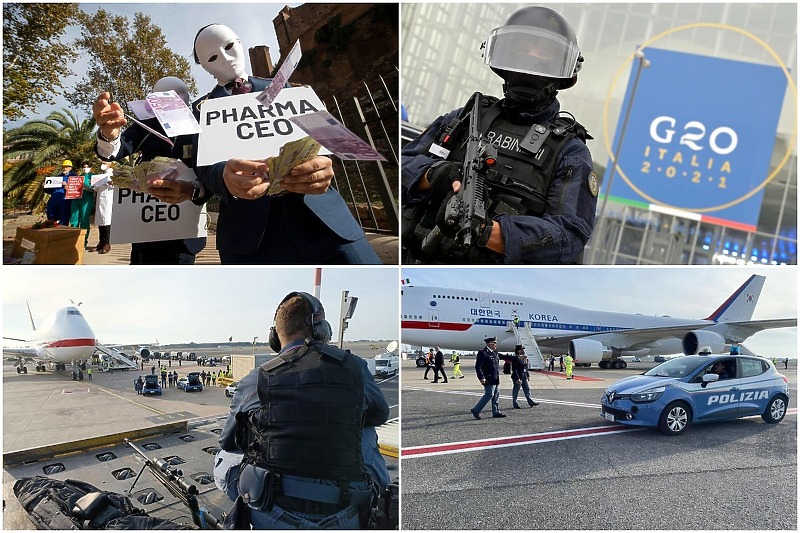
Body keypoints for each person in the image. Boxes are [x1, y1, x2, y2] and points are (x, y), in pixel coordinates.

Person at [401, 6, 596, 265]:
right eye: (523, 47)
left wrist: (487, 232)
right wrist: (434, 175)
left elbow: (567, 237)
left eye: (545, 52)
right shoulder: (464, 119)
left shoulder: (569, 151)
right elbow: (402, 165)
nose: (532, 58)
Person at [183, 23, 381, 265]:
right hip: (249, 239)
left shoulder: (288, 88)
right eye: (212, 57)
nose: (225, 58)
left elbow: (325, 143)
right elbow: (204, 167)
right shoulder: (201, 109)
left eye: (229, 46)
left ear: (240, 43)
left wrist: (322, 164)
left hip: (327, 225)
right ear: (203, 66)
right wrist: (225, 177)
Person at [215, 291, 389, 528]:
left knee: (225, 457)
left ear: (274, 337)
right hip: (346, 511)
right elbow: (380, 414)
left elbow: (228, 442)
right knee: (366, 430)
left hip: (273, 512)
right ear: (320, 330)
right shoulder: (354, 367)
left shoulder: (256, 378)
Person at [93, 76, 208, 264]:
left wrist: (195, 189)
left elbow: (211, 169)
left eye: (176, 97)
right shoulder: (145, 126)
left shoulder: (201, 124)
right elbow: (119, 148)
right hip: (146, 231)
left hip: (185, 235)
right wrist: (109, 135)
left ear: (186, 99)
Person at [471, 337, 505, 419]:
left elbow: (505, 357)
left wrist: (518, 357)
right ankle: (476, 410)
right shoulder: (483, 353)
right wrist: (481, 378)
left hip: (496, 378)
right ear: (489, 344)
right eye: (494, 344)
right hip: (488, 378)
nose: (496, 345)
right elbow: (478, 367)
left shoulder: (495, 353)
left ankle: (496, 411)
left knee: (496, 395)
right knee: (489, 394)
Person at [69, 162, 95, 247]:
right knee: (74, 219)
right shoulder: (79, 177)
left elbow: (95, 189)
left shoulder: (93, 176)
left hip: (87, 199)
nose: (85, 168)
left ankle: (83, 241)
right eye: (84, 167)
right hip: (76, 199)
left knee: (84, 219)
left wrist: (86, 187)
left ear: (90, 167)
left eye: (87, 167)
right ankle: (73, 239)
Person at [45, 160, 76, 226]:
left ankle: (62, 234)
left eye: (67, 167)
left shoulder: (74, 177)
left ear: (70, 168)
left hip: (65, 201)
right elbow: (50, 190)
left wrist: (68, 187)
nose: (65, 168)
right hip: (53, 200)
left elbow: (76, 191)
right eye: (64, 167)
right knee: (51, 218)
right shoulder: (58, 177)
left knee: (63, 219)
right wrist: (45, 186)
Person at [92, 162, 114, 254]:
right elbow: (96, 188)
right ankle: (101, 242)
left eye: (105, 162)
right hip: (100, 200)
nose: (103, 164)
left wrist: (110, 183)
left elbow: (115, 185)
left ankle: (107, 243)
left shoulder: (112, 174)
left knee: (107, 222)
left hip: (108, 201)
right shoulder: (101, 175)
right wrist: (93, 183)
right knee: (100, 222)